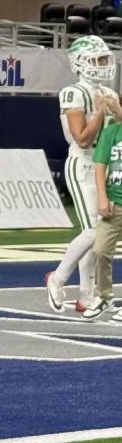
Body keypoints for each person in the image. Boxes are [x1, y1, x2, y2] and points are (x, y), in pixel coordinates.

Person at [46, 35, 122, 319]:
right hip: (83, 165)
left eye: (105, 59)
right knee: (93, 231)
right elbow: (81, 138)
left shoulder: (109, 92)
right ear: (81, 63)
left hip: (106, 165)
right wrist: (101, 112)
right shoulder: (73, 92)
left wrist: (115, 110)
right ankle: (58, 277)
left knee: (96, 230)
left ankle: (85, 294)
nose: (104, 65)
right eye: (98, 60)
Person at [93, 116, 122, 321]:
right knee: (100, 250)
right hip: (115, 202)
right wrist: (102, 197)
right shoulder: (111, 132)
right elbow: (100, 166)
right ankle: (104, 296)